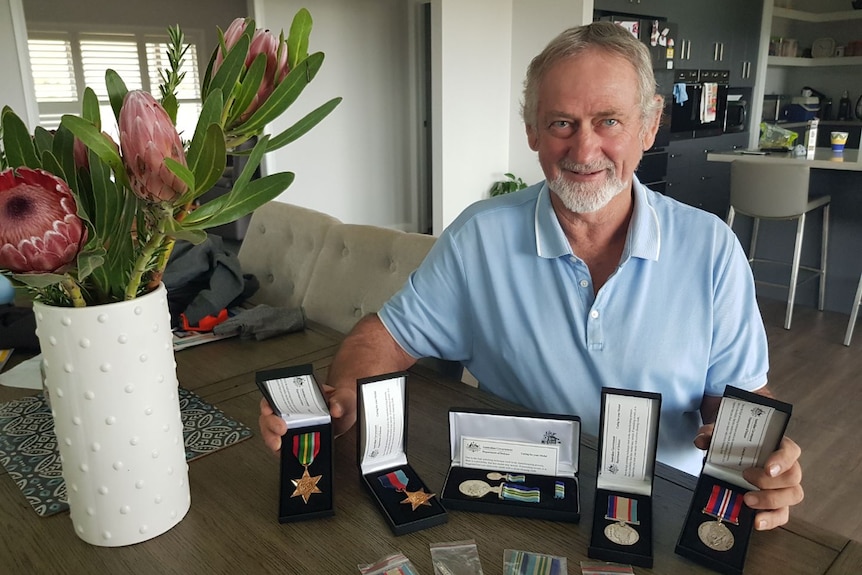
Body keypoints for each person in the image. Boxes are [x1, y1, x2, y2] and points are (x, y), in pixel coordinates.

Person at [260, 21, 803, 531]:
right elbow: (385, 338)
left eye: (608, 121)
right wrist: (342, 401)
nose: (584, 149)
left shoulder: (712, 249)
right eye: (562, 123)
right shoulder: (481, 236)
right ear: (532, 132)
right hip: (511, 499)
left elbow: (736, 397)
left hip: (664, 511)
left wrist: (765, 459)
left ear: (649, 124)